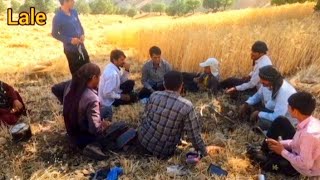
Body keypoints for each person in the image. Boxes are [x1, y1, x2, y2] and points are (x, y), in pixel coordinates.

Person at [62, 63, 134, 160]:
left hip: (72, 131)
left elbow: (55, 88)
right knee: (124, 126)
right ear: (94, 77)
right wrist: (103, 125)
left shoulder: (71, 85)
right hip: (85, 135)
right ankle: (96, 146)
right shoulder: (92, 98)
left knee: (107, 109)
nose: (100, 80)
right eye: (99, 77)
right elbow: (94, 129)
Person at [137, 71, 211, 159]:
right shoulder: (186, 105)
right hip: (161, 152)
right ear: (181, 85)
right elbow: (194, 136)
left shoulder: (154, 95)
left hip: (142, 141)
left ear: (164, 84)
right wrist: (205, 152)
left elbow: (145, 116)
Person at [250, 92, 320, 177]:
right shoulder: (310, 121)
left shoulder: (308, 135)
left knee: (256, 157)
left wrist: (282, 151)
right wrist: (281, 143)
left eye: (289, 106)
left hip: (300, 169)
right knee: (281, 120)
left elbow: (305, 164)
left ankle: (271, 157)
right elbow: (297, 143)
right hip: (298, 153)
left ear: (296, 111)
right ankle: (265, 149)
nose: (287, 108)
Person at [239, 65, 297, 130]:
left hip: (284, 121)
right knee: (246, 99)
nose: (261, 82)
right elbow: (258, 95)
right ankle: (247, 119)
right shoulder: (267, 84)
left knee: (262, 122)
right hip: (269, 109)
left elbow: (278, 117)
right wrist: (247, 103)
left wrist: (259, 113)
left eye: (263, 80)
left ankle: (254, 129)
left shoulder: (284, 92)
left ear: (271, 80)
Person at [52, 0, 90, 75]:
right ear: (65, 2)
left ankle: (88, 86)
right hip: (70, 50)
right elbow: (54, 34)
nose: (74, 2)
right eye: (72, 0)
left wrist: (82, 34)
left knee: (88, 69)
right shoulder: (57, 17)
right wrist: (70, 40)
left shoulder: (74, 12)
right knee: (77, 74)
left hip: (81, 46)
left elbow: (79, 25)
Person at [98, 49, 136, 120]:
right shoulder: (112, 74)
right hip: (108, 101)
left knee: (131, 82)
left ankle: (127, 95)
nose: (124, 62)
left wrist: (126, 70)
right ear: (114, 60)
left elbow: (121, 81)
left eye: (124, 60)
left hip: (114, 91)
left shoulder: (113, 67)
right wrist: (121, 96)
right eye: (121, 60)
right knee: (133, 97)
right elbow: (107, 93)